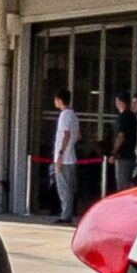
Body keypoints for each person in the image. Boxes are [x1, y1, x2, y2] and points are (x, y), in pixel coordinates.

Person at [51, 90, 80, 222]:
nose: (55, 102)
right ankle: (67, 212)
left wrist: (60, 154)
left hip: (65, 158)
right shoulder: (73, 115)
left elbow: (66, 134)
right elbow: (78, 135)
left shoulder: (64, 115)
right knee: (69, 187)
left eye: (56, 99)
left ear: (60, 100)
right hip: (71, 156)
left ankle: (66, 214)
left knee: (64, 188)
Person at [108, 90, 137, 193]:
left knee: (122, 185)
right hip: (131, 154)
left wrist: (114, 152)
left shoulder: (123, 117)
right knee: (129, 182)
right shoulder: (133, 116)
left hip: (123, 156)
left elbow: (121, 136)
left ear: (119, 102)